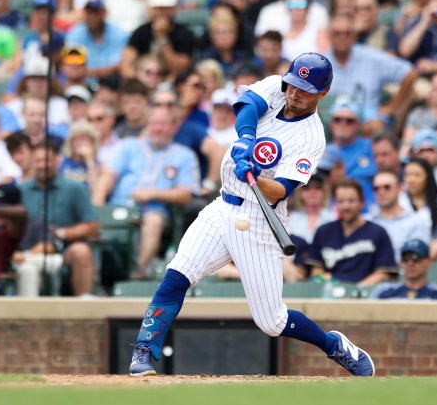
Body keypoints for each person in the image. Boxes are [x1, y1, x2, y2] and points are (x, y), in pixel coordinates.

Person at [128, 53, 375, 378]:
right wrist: (247, 137)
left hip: (260, 220)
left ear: (322, 93)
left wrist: (257, 176)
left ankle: (334, 345)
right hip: (222, 206)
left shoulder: (312, 138)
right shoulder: (278, 86)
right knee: (177, 275)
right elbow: (247, 105)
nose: (294, 93)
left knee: (272, 322)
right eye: (293, 85)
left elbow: (282, 190)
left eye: (305, 90)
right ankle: (144, 351)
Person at [92, 107, 199, 279]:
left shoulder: (184, 155)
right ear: (148, 125)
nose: (158, 128)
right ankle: (97, 280)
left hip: (152, 212)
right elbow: (108, 177)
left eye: (163, 124)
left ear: (173, 127)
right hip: (118, 206)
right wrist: (97, 206)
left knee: (153, 221)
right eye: (155, 123)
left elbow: (186, 195)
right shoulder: (129, 146)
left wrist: (153, 194)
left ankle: (138, 272)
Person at [19, 141, 98, 298]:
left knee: (81, 251)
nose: (43, 165)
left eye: (47, 160)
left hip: (63, 248)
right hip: (29, 249)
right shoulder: (21, 190)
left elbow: (91, 226)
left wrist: (61, 233)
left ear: (57, 161)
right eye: (38, 161)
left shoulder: (74, 188)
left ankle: (85, 306)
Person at [308, 178, 397, 284]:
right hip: (330, 296)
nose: (346, 206)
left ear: (362, 203)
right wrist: (323, 279)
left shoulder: (378, 232)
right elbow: (315, 268)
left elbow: (383, 274)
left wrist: (355, 291)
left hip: (367, 296)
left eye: (351, 201)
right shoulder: (323, 231)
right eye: (341, 201)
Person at [366, 170, 429, 263]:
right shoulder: (367, 222)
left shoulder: (416, 221)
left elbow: (418, 257)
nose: (381, 192)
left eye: (387, 187)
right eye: (376, 188)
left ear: (399, 189)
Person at [368, 239, 437, 300]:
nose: (410, 263)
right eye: (406, 258)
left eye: (416, 258)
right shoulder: (384, 290)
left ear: (429, 261)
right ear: (401, 262)